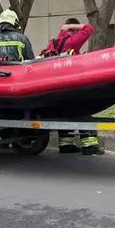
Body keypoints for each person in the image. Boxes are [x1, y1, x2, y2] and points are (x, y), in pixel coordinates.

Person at [42, 18, 103, 155]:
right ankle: (90, 146)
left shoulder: (53, 43)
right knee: (84, 112)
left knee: (65, 114)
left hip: (56, 87)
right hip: (73, 86)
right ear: (73, 30)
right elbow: (89, 29)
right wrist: (73, 25)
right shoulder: (71, 41)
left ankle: (66, 146)